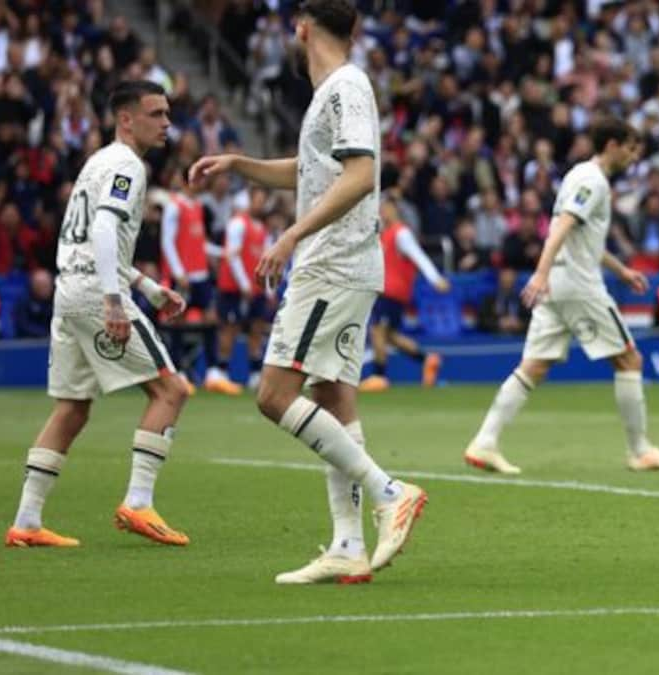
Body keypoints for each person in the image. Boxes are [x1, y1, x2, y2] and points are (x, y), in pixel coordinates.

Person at [189, 0, 425, 584]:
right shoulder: (338, 90)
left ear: (301, 28)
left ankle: (389, 491)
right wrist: (242, 164)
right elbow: (315, 170)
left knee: (273, 395)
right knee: (334, 399)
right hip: (346, 263)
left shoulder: (345, 87)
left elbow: (360, 175)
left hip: (331, 265)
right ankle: (348, 545)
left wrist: (291, 234)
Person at [4, 81, 192, 549]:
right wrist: (113, 301)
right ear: (126, 119)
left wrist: (147, 288)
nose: (166, 122)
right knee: (171, 389)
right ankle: (139, 502)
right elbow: (106, 227)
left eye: (167, 113)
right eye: (156, 113)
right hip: (93, 293)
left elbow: (93, 237)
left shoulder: (97, 163)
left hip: (69, 289)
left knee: (71, 408)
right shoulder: (127, 165)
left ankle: (26, 521)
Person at [464, 117, 659, 475]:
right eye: (630, 148)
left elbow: (580, 237)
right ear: (611, 144)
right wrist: (540, 271)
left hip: (559, 284)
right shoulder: (593, 181)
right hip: (579, 286)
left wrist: (621, 271)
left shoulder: (576, 175)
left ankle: (485, 442)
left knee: (533, 367)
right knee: (629, 361)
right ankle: (640, 450)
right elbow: (563, 225)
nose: (633, 157)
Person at [359, 198, 450, 393]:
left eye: (384, 208)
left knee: (377, 331)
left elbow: (419, 256)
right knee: (390, 336)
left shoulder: (402, 233)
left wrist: (435, 279)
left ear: (393, 209)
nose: (381, 212)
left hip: (392, 291)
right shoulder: (386, 234)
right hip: (389, 291)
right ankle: (428, 360)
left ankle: (379, 377)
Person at [161, 166, 228, 393]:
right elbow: (168, 241)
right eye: (194, 179)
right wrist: (178, 271)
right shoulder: (173, 206)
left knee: (210, 319)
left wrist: (221, 252)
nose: (199, 184)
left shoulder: (199, 206)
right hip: (183, 275)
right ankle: (177, 372)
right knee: (177, 321)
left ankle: (213, 373)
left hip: (200, 273)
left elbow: (199, 242)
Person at [214, 186, 273, 390]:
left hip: (255, 288)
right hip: (234, 287)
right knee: (230, 327)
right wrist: (243, 283)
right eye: (257, 199)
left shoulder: (263, 229)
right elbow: (233, 256)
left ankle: (255, 374)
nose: (260, 204)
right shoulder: (238, 224)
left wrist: (268, 289)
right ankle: (221, 371)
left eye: (263, 200)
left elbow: (266, 259)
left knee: (257, 328)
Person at [477, 267, 531, 335]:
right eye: (505, 281)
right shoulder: (489, 300)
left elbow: (531, 321)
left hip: (518, 337)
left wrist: (520, 323)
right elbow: (481, 322)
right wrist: (498, 323)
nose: (508, 284)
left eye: (510, 282)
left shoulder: (523, 299)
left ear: (515, 282)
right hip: (494, 338)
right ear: (500, 281)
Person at [14, 269, 55, 338]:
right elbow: (23, 325)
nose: (45, 289)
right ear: (33, 286)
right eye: (41, 286)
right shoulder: (24, 301)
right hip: (30, 342)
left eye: (47, 285)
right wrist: (46, 334)